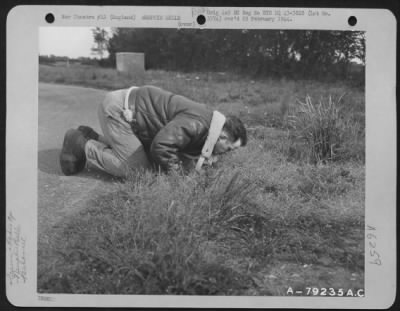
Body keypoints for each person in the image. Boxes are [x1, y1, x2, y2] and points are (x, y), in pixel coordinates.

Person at [59, 85, 247, 177]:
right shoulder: (198, 124)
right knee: (136, 168)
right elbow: (162, 147)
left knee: (149, 162)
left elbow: (181, 150)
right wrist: (179, 178)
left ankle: (89, 135)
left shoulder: (208, 124)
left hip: (128, 113)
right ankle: (81, 144)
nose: (226, 154)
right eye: (229, 149)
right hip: (118, 111)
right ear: (222, 136)